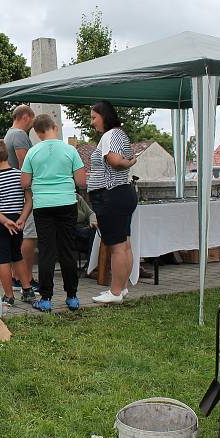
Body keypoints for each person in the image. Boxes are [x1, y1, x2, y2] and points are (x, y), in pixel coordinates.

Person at [21, 115, 86, 312]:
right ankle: (72, 296)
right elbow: (81, 181)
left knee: (47, 251)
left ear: (37, 132)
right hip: (67, 202)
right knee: (67, 249)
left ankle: (46, 298)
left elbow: (24, 183)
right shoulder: (70, 150)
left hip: (43, 205)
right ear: (55, 127)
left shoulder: (33, 152)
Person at [87, 101, 138, 305]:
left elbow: (115, 161)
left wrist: (131, 162)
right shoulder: (120, 134)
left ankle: (115, 292)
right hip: (122, 193)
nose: (92, 122)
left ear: (104, 116)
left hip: (110, 195)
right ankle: (122, 287)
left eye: (94, 117)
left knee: (117, 246)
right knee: (124, 244)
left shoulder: (110, 135)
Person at [0, 139, 35, 307]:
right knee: (17, 255)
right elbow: (29, 200)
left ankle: (9, 295)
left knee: (2, 259)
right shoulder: (20, 175)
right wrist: (22, 218)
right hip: (17, 221)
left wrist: (4, 221)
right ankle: (27, 290)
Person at [3, 104, 39, 291]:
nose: (33, 124)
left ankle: (18, 276)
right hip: (24, 193)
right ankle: (23, 277)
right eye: (32, 119)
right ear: (25, 117)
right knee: (29, 235)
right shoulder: (19, 135)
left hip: (13, 193)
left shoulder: (9, 134)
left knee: (22, 235)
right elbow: (25, 165)